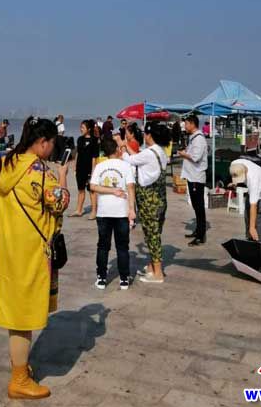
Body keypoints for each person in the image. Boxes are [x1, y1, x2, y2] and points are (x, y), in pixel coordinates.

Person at [0, 117, 69, 400]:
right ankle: (19, 379)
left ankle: (20, 365)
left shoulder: (4, 164)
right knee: (23, 317)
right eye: (52, 143)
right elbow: (60, 202)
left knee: (15, 311)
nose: (52, 149)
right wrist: (62, 175)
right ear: (43, 142)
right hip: (32, 251)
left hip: (8, 248)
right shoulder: (40, 172)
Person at [122, 122, 170, 284]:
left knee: (152, 236)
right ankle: (152, 267)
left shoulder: (149, 153)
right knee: (153, 235)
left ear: (149, 135)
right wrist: (126, 146)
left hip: (149, 201)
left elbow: (130, 159)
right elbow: (137, 157)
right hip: (160, 200)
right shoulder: (159, 151)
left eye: (145, 134)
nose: (143, 136)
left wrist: (121, 146)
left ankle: (158, 273)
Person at [89, 137, 136, 290]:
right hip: (121, 211)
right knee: (122, 246)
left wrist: (109, 191)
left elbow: (93, 186)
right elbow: (131, 188)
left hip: (104, 212)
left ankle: (101, 278)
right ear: (117, 149)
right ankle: (124, 279)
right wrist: (131, 209)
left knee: (103, 246)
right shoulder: (125, 166)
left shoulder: (99, 166)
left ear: (104, 152)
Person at [229, 159, 261, 245]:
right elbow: (235, 173)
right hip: (253, 191)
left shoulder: (254, 179)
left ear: (245, 172)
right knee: (248, 216)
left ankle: (260, 246)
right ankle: (250, 242)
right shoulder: (235, 163)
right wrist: (235, 183)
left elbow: (253, 206)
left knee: (260, 223)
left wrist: (252, 228)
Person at [178, 114, 208, 246]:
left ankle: (201, 235)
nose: (184, 126)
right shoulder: (193, 138)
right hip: (192, 176)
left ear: (192, 124)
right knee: (196, 206)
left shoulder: (199, 139)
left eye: (186, 123)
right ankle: (198, 231)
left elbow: (196, 157)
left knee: (199, 206)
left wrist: (184, 154)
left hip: (196, 177)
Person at [71, 120, 99, 217]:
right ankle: (78, 210)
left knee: (91, 190)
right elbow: (78, 153)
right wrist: (75, 165)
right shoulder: (80, 139)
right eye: (81, 127)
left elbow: (94, 157)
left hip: (89, 168)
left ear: (89, 129)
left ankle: (94, 212)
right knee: (81, 189)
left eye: (83, 127)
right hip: (80, 168)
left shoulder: (94, 140)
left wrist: (93, 170)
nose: (81, 129)